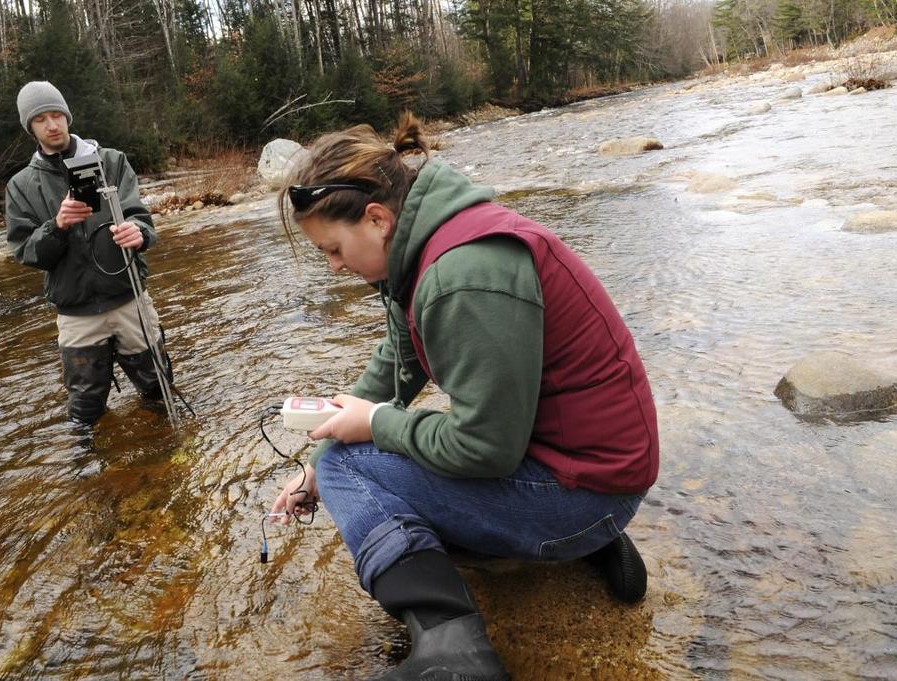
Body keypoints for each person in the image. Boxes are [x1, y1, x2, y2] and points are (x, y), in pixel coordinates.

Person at [270, 114, 659, 680]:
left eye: (333, 249)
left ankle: (453, 652)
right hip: (590, 474)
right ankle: (582, 546)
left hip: (590, 495)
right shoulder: (431, 240)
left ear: (376, 218)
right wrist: (321, 451)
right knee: (343, 457)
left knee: (350, 470)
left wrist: (368, 431)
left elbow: (485, 449)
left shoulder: (462, 274)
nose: (334, 268)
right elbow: (398, 364)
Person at [5, 81, 169, 424]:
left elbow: (142, 218)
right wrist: (57, 226)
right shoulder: (20, 186)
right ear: (29, 128)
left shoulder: (111, 161)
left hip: (128, 299)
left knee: (159, 388)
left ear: (67, 116)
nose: (52, 125)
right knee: (85, 408)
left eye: (56, 115)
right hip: (76, 312)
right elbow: (26, 252)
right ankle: (88, 473)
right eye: (40, 120)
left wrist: (138, 233)